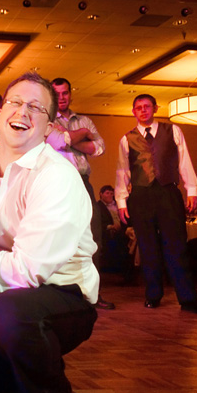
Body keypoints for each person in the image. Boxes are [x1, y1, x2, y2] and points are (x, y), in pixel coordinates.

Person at [0, 71, 99, 393]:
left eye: (36, 108)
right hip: (3, 286)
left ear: (49, 125)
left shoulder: (56, 177)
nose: (23, 111)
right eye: (16, 102)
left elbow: (25, 272)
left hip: (62, 295)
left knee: (7, 314)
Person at [114, 94, 197, 315]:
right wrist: (121, 201)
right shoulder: (126, 139)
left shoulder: (173, 131)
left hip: (168, 192)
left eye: (147, 106)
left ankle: (189, 300)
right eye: (138, 108)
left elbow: (185, 160)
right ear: (133, 112)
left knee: (177, 246)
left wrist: (192, 188)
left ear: (155, 108)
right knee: (148, 248)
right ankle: (153, 294)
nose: (143, 110)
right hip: (140, 196)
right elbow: (122, 171)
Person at [46, 77, 114, 309]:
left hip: (83, 182)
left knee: (93, 237)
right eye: (56, 94)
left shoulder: (84, 119)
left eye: (65, 93)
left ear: (70, 94)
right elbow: (54, 143)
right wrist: (82, 134)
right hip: (55, 183)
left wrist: (72, 139)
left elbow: (100, 147)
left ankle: (93, 294)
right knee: (57, 238)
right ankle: (58, 292)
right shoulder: (46, 119)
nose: (61, 98)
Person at [97, 184, 130, 273]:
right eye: (107, 193)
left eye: (112, 193)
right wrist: (110, 226)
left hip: (122, 230)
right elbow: (98, 223)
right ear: (101, 194)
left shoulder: (117, 205)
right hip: (108, 233)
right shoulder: (97, 207)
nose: (110, 195)